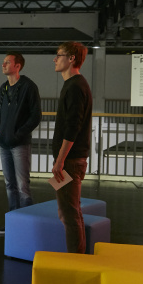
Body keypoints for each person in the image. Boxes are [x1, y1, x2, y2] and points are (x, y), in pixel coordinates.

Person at [0, 51, 42, 235]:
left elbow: (35, 116)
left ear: (17, 66)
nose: (3, 65)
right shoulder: (3, 88)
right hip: (4, 144)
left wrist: (18, 134)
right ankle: (14, 223)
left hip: (20, 143)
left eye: (7, 62)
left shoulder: (29, 87)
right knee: (10, 184)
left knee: (22, 186)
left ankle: (27, 225)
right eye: (3, 62)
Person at [52, 41, 92, 254]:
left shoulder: (76, 86)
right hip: (70, 160)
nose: (55, 59)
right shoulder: (74, 85)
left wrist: (59, 161)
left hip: (69, 161)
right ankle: (78, 257)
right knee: (71, 212)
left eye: (59, 55)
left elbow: (72, 128)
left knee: (68, 214)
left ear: (71, 59)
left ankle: (76, 261)